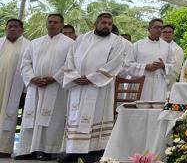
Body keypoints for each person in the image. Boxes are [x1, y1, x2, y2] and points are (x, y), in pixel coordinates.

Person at [60, 13, 127, 162]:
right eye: (104, 23)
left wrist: (91, 78)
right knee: (75, 117)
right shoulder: (82, 38)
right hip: (78, 85)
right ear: (95, 23)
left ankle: (90, 151)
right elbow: (70, 58)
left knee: (95, 116)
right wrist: (75, 76)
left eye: (109, 24)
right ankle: (72, 150)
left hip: (98, 87)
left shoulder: (117, 41)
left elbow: (114, 63)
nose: (107, 26)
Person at [15, 13, 74, 161]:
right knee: (31, 118)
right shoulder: (35, 42)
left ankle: (46, 150)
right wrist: (32, 78)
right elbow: (25, 63)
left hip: (55, 88)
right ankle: (27, 149)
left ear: (61, 25)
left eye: (55, 22)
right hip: (35, 87)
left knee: (52, 119)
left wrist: (54, 78)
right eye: (49, 22)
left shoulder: (70, 44)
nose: (52, 24)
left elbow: (70, 64)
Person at [0, 19, 29, 158]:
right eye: (10, 26)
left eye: (16, 27)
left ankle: (4, 148)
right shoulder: (0, 42)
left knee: (8, 116)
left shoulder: (28, 46)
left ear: (22, 30)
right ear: (6, 28)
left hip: (14, 88)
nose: (12, 29)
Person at [128, 19, 176, 100]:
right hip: (143, 83)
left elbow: (173, 65)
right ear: (149, 29)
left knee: (157, 109)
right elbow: (128, 64)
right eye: (156, 27)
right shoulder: (137, 45)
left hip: (159, 83)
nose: (159, 30)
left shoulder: (167, 47)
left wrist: (164, 66)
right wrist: (145, 67)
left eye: (161, 28)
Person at [161, 24, 184, 92]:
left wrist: (165, 81)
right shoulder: (156, 46)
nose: (167, 34)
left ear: (173, 34)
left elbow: (176, 69)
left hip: (169, 84)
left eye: (170, 32)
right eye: (165, 32)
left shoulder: (178, 49)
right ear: (161, 34)